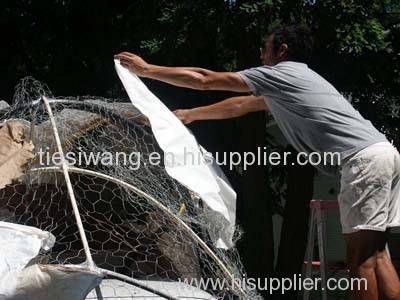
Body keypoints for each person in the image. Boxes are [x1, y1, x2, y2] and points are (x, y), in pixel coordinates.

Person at [115, 24, 400, 299]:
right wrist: (191, 115)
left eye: (265, 50)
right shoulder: (300, 81)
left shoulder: (280, 74)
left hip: (362, 162)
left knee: (360, 260)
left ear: (282, 51)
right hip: (384, 154)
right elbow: (240, 105)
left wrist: (147, 70)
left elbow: (205, 79)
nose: (261, 56)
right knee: (378, 255)